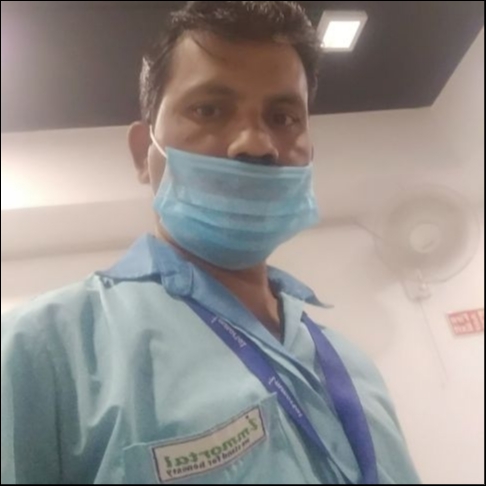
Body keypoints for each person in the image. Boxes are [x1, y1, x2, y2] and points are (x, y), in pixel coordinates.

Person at [1, 2, 421, 484]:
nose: (256, 144)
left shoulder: (354, 366)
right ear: (142, 153)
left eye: (284, 117)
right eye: (209, 109)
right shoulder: (45, 352)